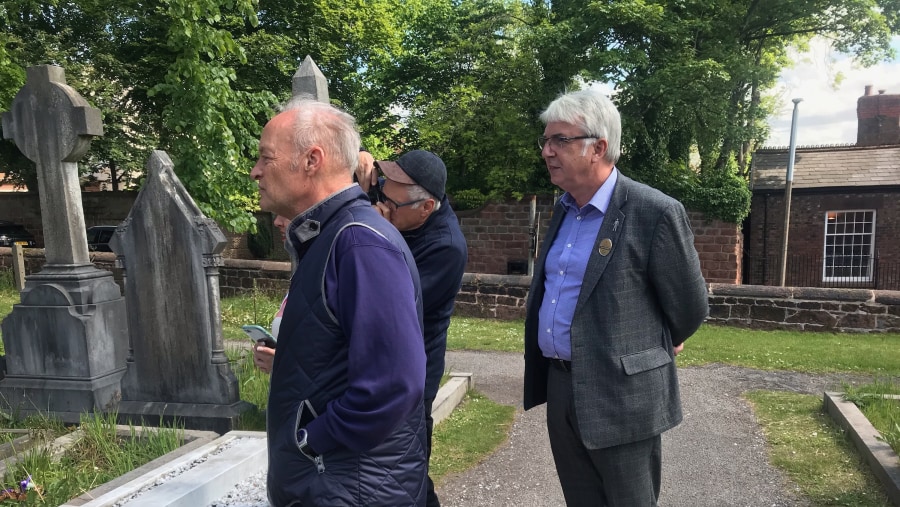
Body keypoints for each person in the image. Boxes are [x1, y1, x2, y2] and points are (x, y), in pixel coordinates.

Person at [523, 89, 708, 506]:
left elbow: (690, 306)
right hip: (561, 386)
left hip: (623, 396)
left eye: (560, 140)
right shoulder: (563, 209)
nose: (547, 151)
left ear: (598, 147)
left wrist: (656, 341)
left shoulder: (653, 212)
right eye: (546, 141)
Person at [251, 98, 427, 506]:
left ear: (312, 160)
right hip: (335, 481)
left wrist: (309, 440)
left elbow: (393, 384)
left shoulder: (359, 244)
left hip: (350, 486)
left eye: (266, 158)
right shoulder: (330, 237)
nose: (255, 171)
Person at [364, 150, 468, 507]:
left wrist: (376, 235)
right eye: (380, 192)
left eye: (390, 203)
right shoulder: (398, 208)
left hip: (409, 378)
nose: (381, 205)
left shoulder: (446, 248)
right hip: (377, 368)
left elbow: (388, 308)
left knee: (407, 477)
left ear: (426, 207)